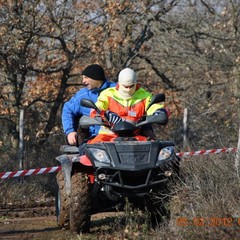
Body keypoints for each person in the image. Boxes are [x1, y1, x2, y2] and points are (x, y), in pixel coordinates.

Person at [89, 67, 169, 143]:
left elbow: (154, 106)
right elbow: (96, 110)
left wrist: (160, 112)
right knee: (90, 149)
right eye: (126, 86)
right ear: (119, 83)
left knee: (158, 150)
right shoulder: (107, 94)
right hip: (108, 137)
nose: (128, 89)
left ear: (135, 83)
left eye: (131, 86)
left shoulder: (145, 96)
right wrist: (106, 114)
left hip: (136, 137)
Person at [62, 64, 116, 146]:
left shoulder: (117, 90)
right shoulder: (83, 95)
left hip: (118, 137)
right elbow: (67, 110)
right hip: (94, 140)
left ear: (95, 78)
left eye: (86, 77)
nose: (83, 81)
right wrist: (70, 132)